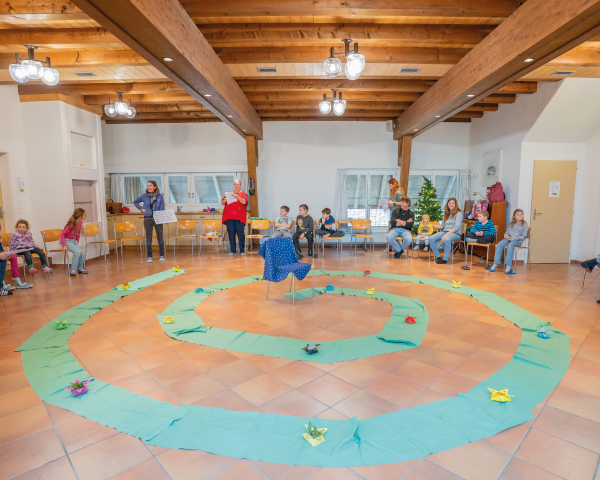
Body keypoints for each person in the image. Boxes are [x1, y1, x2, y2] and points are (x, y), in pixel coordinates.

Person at [133, 180, 165, 263]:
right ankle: (150, 256)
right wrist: (141, 208)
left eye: (150, 185)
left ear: (155, 187)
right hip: (147, 219)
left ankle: (161, 255)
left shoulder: (160, 196)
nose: (148, 187)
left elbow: (162, 208)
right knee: (149, 239)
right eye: (147, 185)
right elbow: (135, 202)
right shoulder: (144, 196)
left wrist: (164, 219)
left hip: (158, 219)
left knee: (160, 238)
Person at [488, 209, 529, 274]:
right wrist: (507, 237)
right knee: (500, 244)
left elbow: (524, 236)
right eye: (518, 214)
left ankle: (508, 267)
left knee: (510, 245)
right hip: (509, 239)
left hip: (517, 241)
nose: (520, 216)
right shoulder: (511, 224)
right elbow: (506, 233)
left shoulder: (525, 225)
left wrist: (513, 238)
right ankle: (495, 264)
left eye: (521, 214)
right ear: (514, 216)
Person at [429, 198, 463, 265]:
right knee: (431, 238)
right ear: (447, 204)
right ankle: (438, 257)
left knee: (447, 239)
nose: (451, 204)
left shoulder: (459, 213)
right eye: (449, 203)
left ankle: (445, 259)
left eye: (453, 203)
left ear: (455, 204)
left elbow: (457, 227)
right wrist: (432, 225)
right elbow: (442, 226)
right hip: (445, 232)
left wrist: (446, 235)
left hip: (455, 233)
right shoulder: (446, 214)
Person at [221, 179, 248, 255]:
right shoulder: (229, 193)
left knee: (240, 234)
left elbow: (244, 202)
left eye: (238, 184)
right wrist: (225, 200)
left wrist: (237, 197)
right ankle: (233, 250)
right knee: (231, 234)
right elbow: (222, 202)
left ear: (240, 185)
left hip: (239, 217)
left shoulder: (243, 194)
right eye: (235, 184)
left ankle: (242, 250)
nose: (236, 186)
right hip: (229, 217)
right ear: (233, 185)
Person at [60, 208, 87, 277]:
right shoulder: (72, 223)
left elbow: (78, 233)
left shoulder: (80, 222)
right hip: (66, 240)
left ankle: (80, 269)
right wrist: (64, 245)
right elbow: (62, 234)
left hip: (73, 240)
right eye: (84, 214)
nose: (86, 215)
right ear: (80, 217)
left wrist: (77, 243)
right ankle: (73, 270)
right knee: (77, 252)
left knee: (81, 252)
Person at [383, 179, 405, 252]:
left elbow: (403, 203)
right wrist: (384, 205)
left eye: (390, 185)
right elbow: (392, 204)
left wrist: (393, 203)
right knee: (392, 231)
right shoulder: (393, 192)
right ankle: (395, 247)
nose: (389, 186)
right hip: (393, 213)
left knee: (392, 231)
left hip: (397, 215)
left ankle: (395, 247)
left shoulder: (398, 192)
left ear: (394, 185)